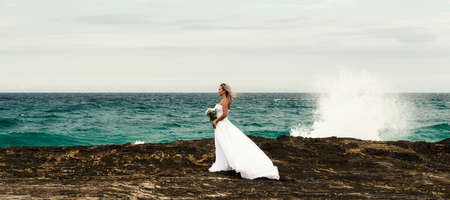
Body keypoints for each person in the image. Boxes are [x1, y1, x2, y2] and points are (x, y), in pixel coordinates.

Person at [208, 83, 280, 180]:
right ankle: (223, 163)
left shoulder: (225, 101)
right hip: (221, 126)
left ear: (224, 90)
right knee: (221, 144)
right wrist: (212, 115)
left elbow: (225, 115)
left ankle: (234, 163)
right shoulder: (224, 100)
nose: (218, 91)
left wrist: (216, 120)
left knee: (226, 144)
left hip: (223, 125)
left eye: (220, 89)